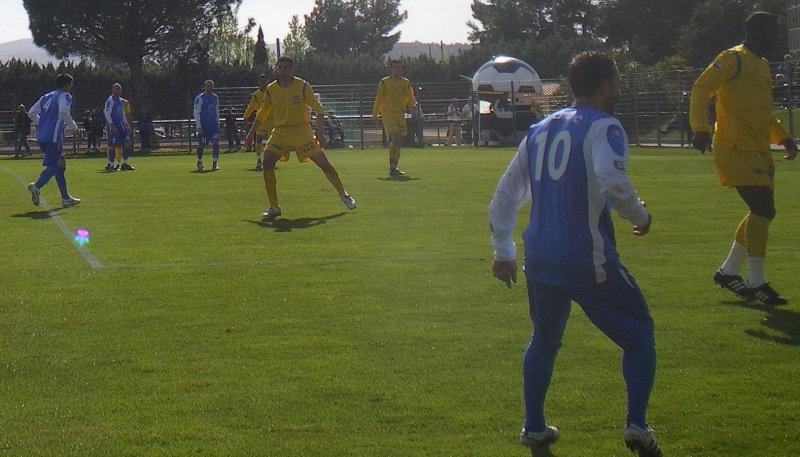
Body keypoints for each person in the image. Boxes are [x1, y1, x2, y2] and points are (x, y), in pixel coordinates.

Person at [488, 52, 661, 456]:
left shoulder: (539, 129)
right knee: (639, 337)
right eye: (616, 83)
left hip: (541, 258)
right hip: (586, 257)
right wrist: (641, 215)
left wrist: (503, 250)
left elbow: (503, 196)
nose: (617, 90)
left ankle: (533, 427)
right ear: (604, 87)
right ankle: (636, 425)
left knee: (545, 338)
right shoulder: (605, 126)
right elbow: (612, 180)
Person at [690, 11, 797, 306]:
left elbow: (761, 113)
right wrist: (699, 128)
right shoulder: (732, 59)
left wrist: (783, 136)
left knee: (759, 212)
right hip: (734, 147)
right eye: (773, 31)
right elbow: (701, 88)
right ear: (757, 32)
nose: (777, 36)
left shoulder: (761, 65)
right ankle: (757, 280)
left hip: (759, 149)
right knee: (763, 208)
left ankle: (728, 271)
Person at [244, 56, 356, 219]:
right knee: (267, 162)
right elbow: (262, 114)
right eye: (279, 67)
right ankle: (274, 207)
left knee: (324, 164)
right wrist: (250, 134)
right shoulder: (271, 89)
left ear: (292, 69)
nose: (282, 70)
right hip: (280, 132)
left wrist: (320, 132)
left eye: (285, 67)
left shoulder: (303, 86)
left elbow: (318, 110)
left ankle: (344, 194)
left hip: (301, 132)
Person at [26, 73, 81, 208]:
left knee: (60, 164)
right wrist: (74, 127)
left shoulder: (46, 96)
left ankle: (65, 198)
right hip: (53, 137)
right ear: (67, 85)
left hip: (42, 136)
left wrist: (43, 123)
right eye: (71, 84)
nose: (71, 87)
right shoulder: (65, 95)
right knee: (54, 166)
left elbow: (31, 113)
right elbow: (63, 111)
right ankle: (36, 186)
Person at [372, 59, 417, 177]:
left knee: (399, 141)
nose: (397, 69)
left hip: (400, 114)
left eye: (399, 67)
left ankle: (394, 167)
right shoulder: (384, 82)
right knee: (396, 138)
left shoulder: (406, 82)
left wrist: (413, 107)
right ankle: (392, 167)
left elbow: (410, 97)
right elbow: (379, 99)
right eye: (395, 67)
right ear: (391, 69)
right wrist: (375, 114)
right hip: (387, 113)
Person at [243, 74, 272, 170]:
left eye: (264, 81)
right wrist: (246, 116)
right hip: (261, 120)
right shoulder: (256, 95)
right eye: (261, 81)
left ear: (267, 81)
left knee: (272, 141)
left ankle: (270, 160)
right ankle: (259, 160)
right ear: (259, 83)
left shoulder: (272, 91)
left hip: (272, 119)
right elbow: (251, 106)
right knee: (259, 139)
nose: (263, 83)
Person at [103, 83, 135, 171]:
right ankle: (111, 164)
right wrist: (111, 125)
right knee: (113, 145)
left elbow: (122, 114)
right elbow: (107, 113)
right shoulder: (110, 100)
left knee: (127, 142)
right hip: (113, 124)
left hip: (121, 125)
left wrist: (127, 125)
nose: (118, 90)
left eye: (119, 89)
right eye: (116, 89)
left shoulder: (121, 101)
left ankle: (124, 163)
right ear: (112, 90)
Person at [193, 79, 221, 171]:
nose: (210, 87)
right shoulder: (200, 98)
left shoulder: (215, 97)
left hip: (213, 124)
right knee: (202, 144)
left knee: (216, 142)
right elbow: (196, 112)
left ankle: (215, 163)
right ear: (204, 87)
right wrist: (199, 125)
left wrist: (218, 122)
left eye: (211, 86)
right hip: (204, 125)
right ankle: (200, 161)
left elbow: (217, 110)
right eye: (208, 86)